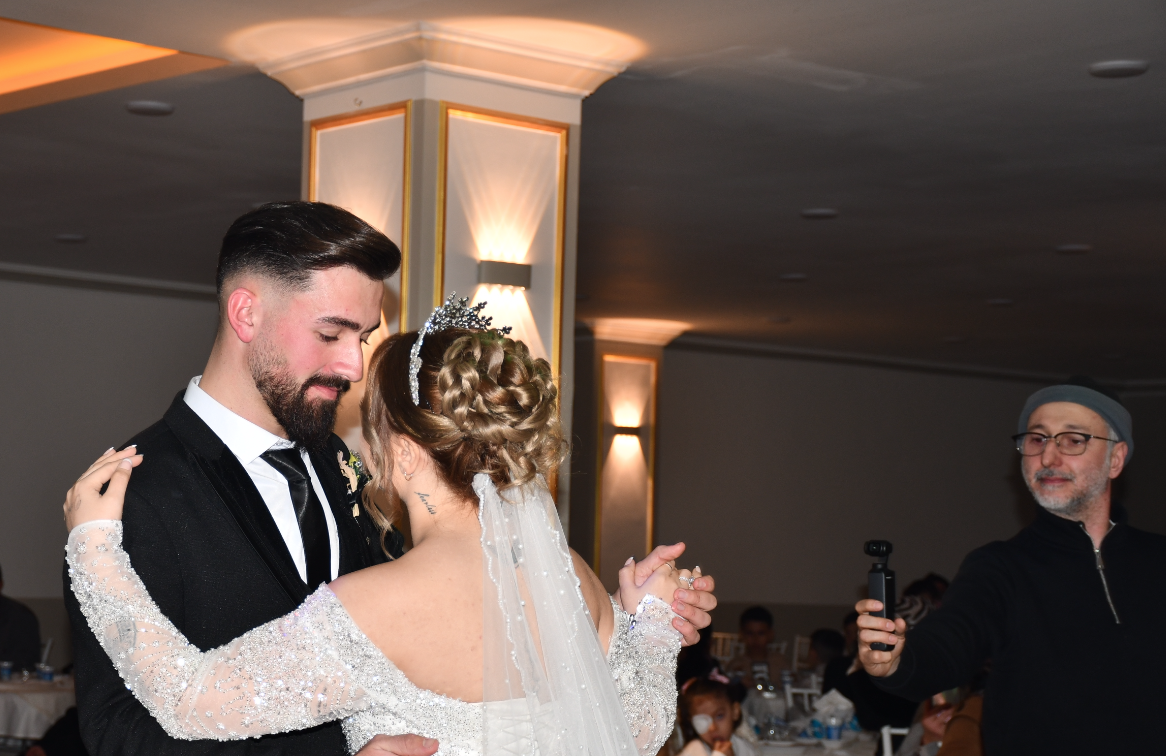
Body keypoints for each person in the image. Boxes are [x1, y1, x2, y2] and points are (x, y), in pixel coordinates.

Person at [62, 202, 718, 756]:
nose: (353, 366)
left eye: (364, 337)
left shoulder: (344, 470)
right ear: (246, 314)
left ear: (403, 452)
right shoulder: (134, 490)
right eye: (332, 333)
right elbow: (119, 735)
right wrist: (647, 628)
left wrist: (92, 551)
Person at [855, 382, 1166, 755]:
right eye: (1037, 439)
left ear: (1115, 459)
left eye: (1072, 440)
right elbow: (950, 644)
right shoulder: (1000, 568)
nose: (1048, 456)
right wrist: (896, 661)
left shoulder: (1157, 559)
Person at [675, 673, 756, 756]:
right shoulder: (693, 752)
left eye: (719, 716)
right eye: (702, 720)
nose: (712, 728)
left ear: (735, 711)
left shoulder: (745, 748)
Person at [721, 607, 787, 684]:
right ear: (742, 635)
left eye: (761, 633)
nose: (755, 639)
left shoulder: (781, 663)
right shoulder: (736, 665)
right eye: (750, 633)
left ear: (770, 634)